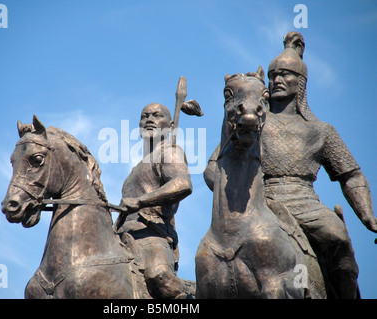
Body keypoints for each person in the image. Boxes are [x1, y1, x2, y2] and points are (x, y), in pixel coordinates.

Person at [205, 32, 376, 298]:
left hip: (305, 202)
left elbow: (351, 176)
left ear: (301, 82)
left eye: (286, 75)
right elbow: (218, 162)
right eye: (273, 76)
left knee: (337, 236)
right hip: (262, 198)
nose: (277, 81)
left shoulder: (321, 131)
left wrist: (368, 217)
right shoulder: (255, 121)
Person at [114, 102, 193, 299]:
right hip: (122, 236)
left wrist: (140, 201)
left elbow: (182, 183)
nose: (149, 119)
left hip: (152, 233)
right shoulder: (136, 169)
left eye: (157, 116)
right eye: (145, 116)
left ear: (171, 125)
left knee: (160, 276)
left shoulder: (170, 152)